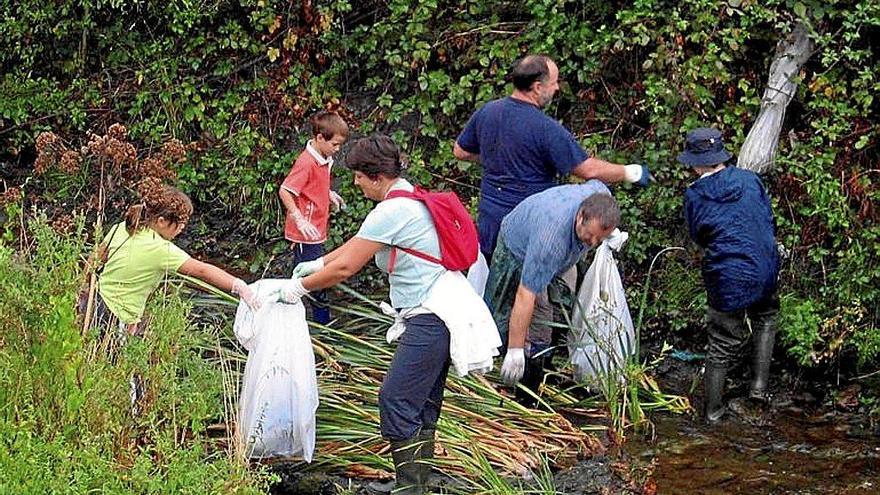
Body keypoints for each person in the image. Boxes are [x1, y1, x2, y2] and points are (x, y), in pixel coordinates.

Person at [273, 135, 494, 495]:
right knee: (420, 402)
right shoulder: (408, 197)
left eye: (359, 176)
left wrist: (299, 288)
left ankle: (410, 489)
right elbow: (359, 244)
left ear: (376, 176)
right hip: (444, 310)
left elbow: (346, 267)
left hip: (432, 314)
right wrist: (317, 261)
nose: (356, 183)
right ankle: (414, 486)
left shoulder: (393, 210)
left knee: (395, 400)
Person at [84, 179, 261, 414]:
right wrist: (240, 288)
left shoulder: (121, 228)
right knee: (126, 377)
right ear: (161, 221)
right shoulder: (160, 249)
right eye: (179, 226)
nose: (181, 232)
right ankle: (128, 426)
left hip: (94, 307)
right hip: (116, 318)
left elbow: (94, 262)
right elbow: (201, 270)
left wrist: (83, 292)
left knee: (99, 366)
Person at [453, 54, 649, 260]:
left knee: (493, 283)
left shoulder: (488, 111)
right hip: (528, 227)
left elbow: (460, 151)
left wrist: (495, 157)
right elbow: (587, 170)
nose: (556, 88)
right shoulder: (545, 129)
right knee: (529, 285)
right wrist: (630, 172)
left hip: (490, 220)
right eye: (554, 83)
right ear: (538, 87)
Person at [484, 181, 621, 405]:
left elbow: (596, 179)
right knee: (529, 323)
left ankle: (545, 365)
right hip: (516, 248)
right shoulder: (550, 241)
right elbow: (525, 295)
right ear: (580, 217)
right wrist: (516, 349)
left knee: (562, 308)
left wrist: (608, 237)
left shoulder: (600, 198)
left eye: (600, 238)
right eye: (590, 237)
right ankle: (522, 394)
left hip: (559, 253)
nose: (594, 243)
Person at [678, 127, 780, 423]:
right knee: (766, 316)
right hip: (764, 265)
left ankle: (712, 412)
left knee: (722, 341)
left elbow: (698, 235)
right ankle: (758, 389)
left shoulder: (695, 194)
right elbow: (766, 218)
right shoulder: (751, 180)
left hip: (728, 274)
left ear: (696, 163)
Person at [280, 111, 349, 325]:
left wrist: (329, 194)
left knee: (310, 273)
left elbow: (315, 185)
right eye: (335, 144)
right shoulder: (306, 162)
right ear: (320, 138)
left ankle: (308, 317)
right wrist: (298, 218)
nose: (337, 150)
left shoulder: (324, 157)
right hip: (306, 232)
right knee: (312, 279)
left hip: (317, 228)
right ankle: (321, 325)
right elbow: (285, 190)